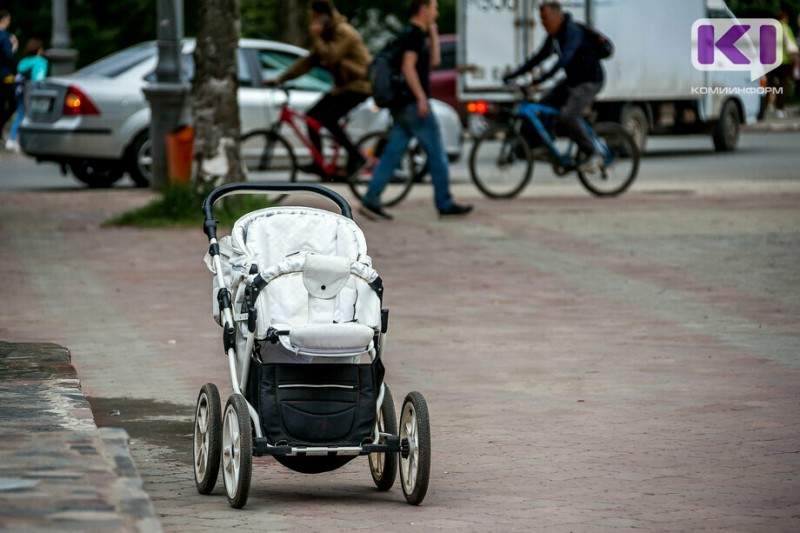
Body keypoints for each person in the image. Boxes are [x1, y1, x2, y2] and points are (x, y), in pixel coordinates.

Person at [359, 0, 472, 220]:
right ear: (423, 9)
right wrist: (421, 98)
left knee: (393, 153)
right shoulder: (412, 35)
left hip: (402, 105)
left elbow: (434, 61)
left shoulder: (413, 34)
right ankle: (444, 202)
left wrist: (433, 32)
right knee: (437, 153)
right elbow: (408, 67)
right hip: (412, 104)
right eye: (434, 8)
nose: (436, 12)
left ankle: (372, 198)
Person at [265, 0, 371, 179]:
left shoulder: (343, 32)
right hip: (342, 87)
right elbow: (307, 62)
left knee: (329, 119)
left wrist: (316, 36)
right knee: (312, 116)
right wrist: (280, 78)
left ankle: (357, 157)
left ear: (326, 16)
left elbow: (330, 56)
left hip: (359, 86)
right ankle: (319, 163)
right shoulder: (327, 35)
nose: (312, 21)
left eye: (315, 17)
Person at [502, 0, 604, 172]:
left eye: (545, 19)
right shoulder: (554, 37)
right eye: (541, 19)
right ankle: (547, 145)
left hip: (589, 81)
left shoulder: (573, 32)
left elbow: (564, 60)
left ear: (557, 17)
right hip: (573, 81)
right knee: (544, 103)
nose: (543, 23)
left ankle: (593, 153)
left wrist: (539, 80)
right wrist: (512, 75)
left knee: (569, 115)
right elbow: (537, 59)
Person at [6, 38, 48, 152]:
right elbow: (38, 79)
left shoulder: (23, 62)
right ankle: (34, 141)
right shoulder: (40, 62)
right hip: (32, 92)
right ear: (39, 50)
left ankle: (11, 139)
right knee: (35, 117)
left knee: (20, 115)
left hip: (20, 91)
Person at [772, 10, 798, 119]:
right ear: (785, 18)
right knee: (782, 85)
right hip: (784, 61)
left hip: (772, 61)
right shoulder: (786, 28)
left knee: (769, 84)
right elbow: (792, 44)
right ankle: (780, 109)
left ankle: (765, 108)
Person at [0, 10, 20, 142]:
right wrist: (15, 45)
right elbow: (9, 55)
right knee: (13, 103)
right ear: (5, 20)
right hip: (5, 76)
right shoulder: (5, 36)